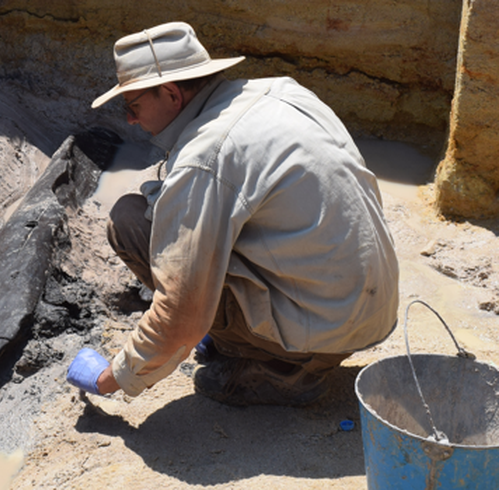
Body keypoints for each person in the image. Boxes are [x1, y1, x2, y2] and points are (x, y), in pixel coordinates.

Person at [67, 22, 399, 406]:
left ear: (172, 93)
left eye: (133, 105)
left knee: (129, 222)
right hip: (370, 308)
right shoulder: (282, 90)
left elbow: (180, 312)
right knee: (166, 223)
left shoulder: (206, 156)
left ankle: (283, 369)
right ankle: (257, 343)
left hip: (325, 331)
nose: (129, 119)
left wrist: (112, 379)